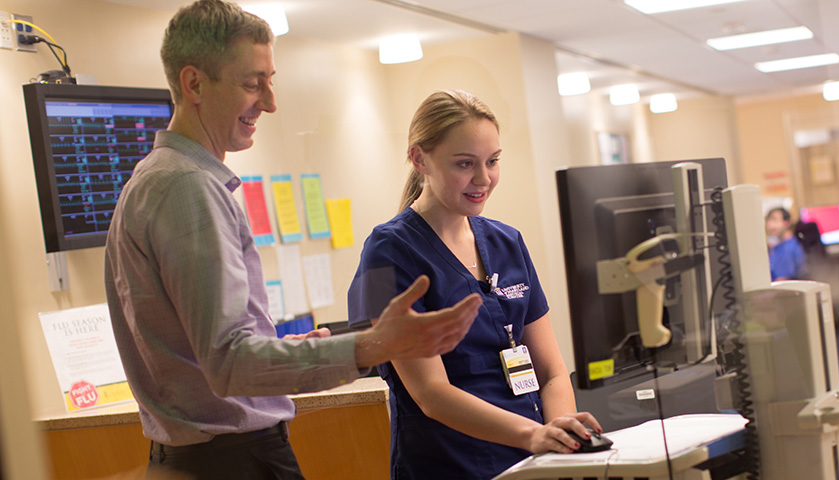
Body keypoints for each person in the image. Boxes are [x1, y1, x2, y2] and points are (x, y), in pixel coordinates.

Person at [103, 2, 481, 479]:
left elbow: (214, 355)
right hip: (233, 461)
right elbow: (229, 364)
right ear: (194, 83)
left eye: (270, 80)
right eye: (250, 83)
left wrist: (283, 348)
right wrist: (370, 346)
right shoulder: (187, 187)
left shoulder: (155, 178)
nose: (269, 101)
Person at [348, 90, 601, 479]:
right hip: (451, 463)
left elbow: (551, 370)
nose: (483, 179)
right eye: (465, 164)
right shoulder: (387, 252)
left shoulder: (507, 242)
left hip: (534, 459)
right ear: (419, 159)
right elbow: (431, 393)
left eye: (493, 161)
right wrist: (535, 435)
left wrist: (562, 437)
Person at [766, 207, 806, 281]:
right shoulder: (778, 246)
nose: (770, 225)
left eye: (775, 220)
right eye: (768, 221)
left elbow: (782, 282)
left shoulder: (787, 249)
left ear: (787, 222)